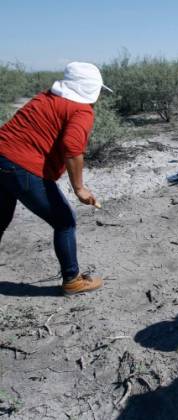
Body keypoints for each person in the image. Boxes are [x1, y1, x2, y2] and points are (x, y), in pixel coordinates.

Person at [0, 62, 112, 296]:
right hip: (21, 167)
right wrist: (79, 188)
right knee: (64, 221)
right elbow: (72, 148)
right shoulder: (81, 110)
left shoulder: (45, 98)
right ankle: (72, 279)